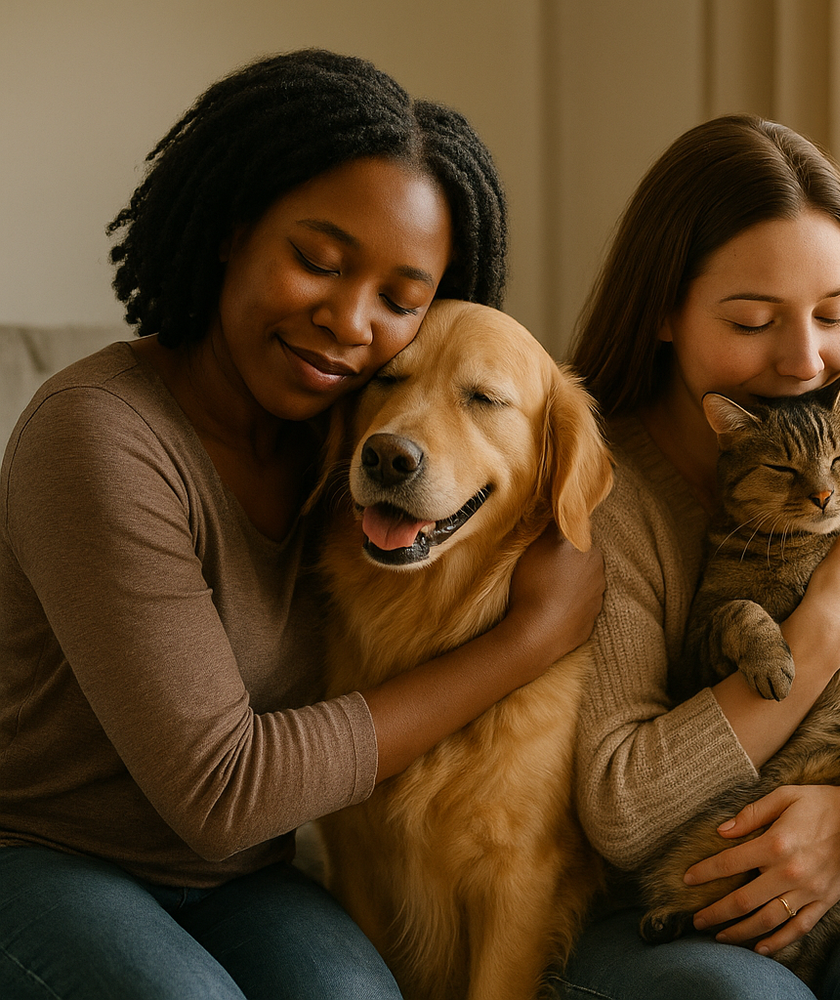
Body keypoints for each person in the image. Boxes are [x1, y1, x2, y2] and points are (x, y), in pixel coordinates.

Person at [0, 50, 603, 1000]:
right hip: (43, 857)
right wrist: (529, 641)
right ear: (232, 232)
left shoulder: (343, 439)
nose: (349, 322)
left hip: (240, 881)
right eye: (317, 262)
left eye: (401, 301)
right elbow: (222, 793)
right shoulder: (98, 437)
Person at [559, 113, 840, 1000]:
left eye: (834, 313)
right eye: (753, 319)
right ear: (663, 308)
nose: (805, 358)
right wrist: (824, 633)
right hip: (669, 898)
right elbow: (620, 807)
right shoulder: (602, 494)